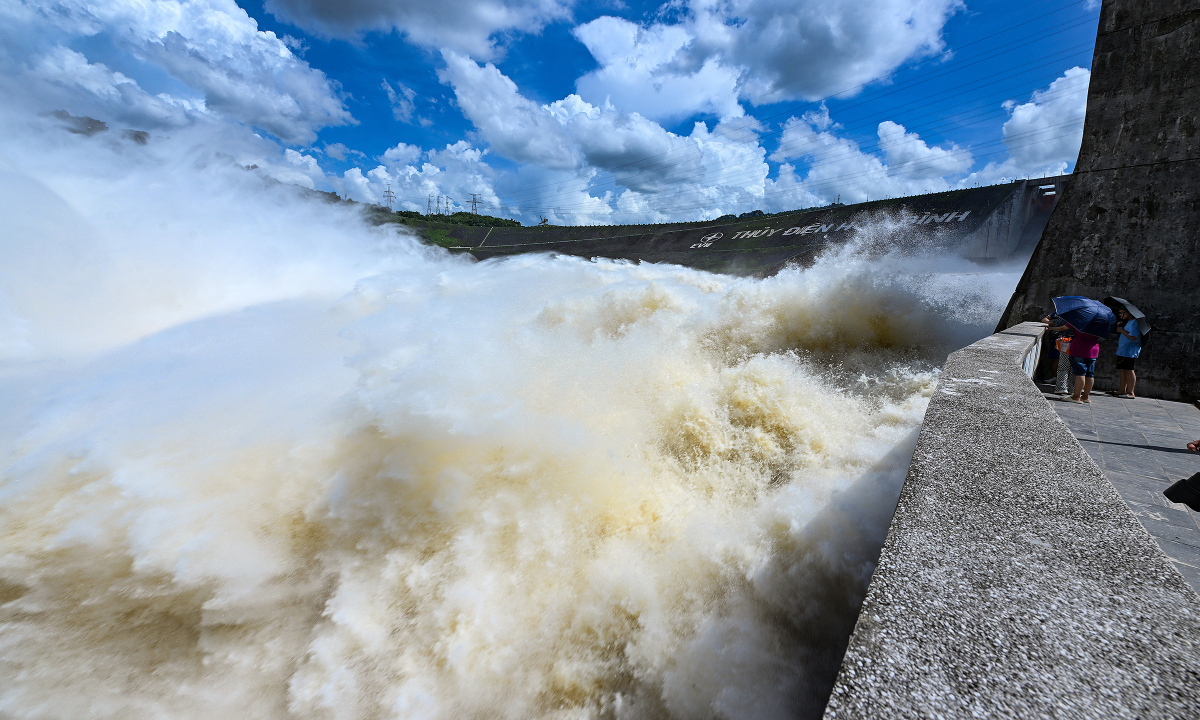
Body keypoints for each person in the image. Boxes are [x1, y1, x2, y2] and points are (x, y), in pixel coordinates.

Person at [1064, 323, 1101, 403]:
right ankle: (1085, 396)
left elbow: (1064, 327)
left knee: (1080, 374)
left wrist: (1051, 327)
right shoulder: (1100, 323)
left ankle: (1076, 397)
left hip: (1079, 349)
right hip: (1093, 350)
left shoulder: (1080, 319)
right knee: (1089, 374)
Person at [1041, 305, 1073, 395]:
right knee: (1055, 359)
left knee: (1066, 362)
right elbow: (1045, 319)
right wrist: (1050, 322)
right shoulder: (1059, 312)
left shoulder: (1074, 315)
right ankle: (1056, 378)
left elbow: (1063, 328)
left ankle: (1064, 382)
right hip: (1058, 338)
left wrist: (1052, 328)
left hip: (1068, 339)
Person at [1111, 308, 1142, 398]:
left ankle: (1130, 392)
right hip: (1123, 350)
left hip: (1130, 350)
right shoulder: (1128, 322)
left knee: (1129, 370)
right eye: (1120, 313)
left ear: (1129, 312)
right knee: (1122, 369)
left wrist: (1121, 330)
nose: (1120, 315)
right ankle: (1122, 390)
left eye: (1122, 313)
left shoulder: (1135, 323)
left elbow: (1133, 337)